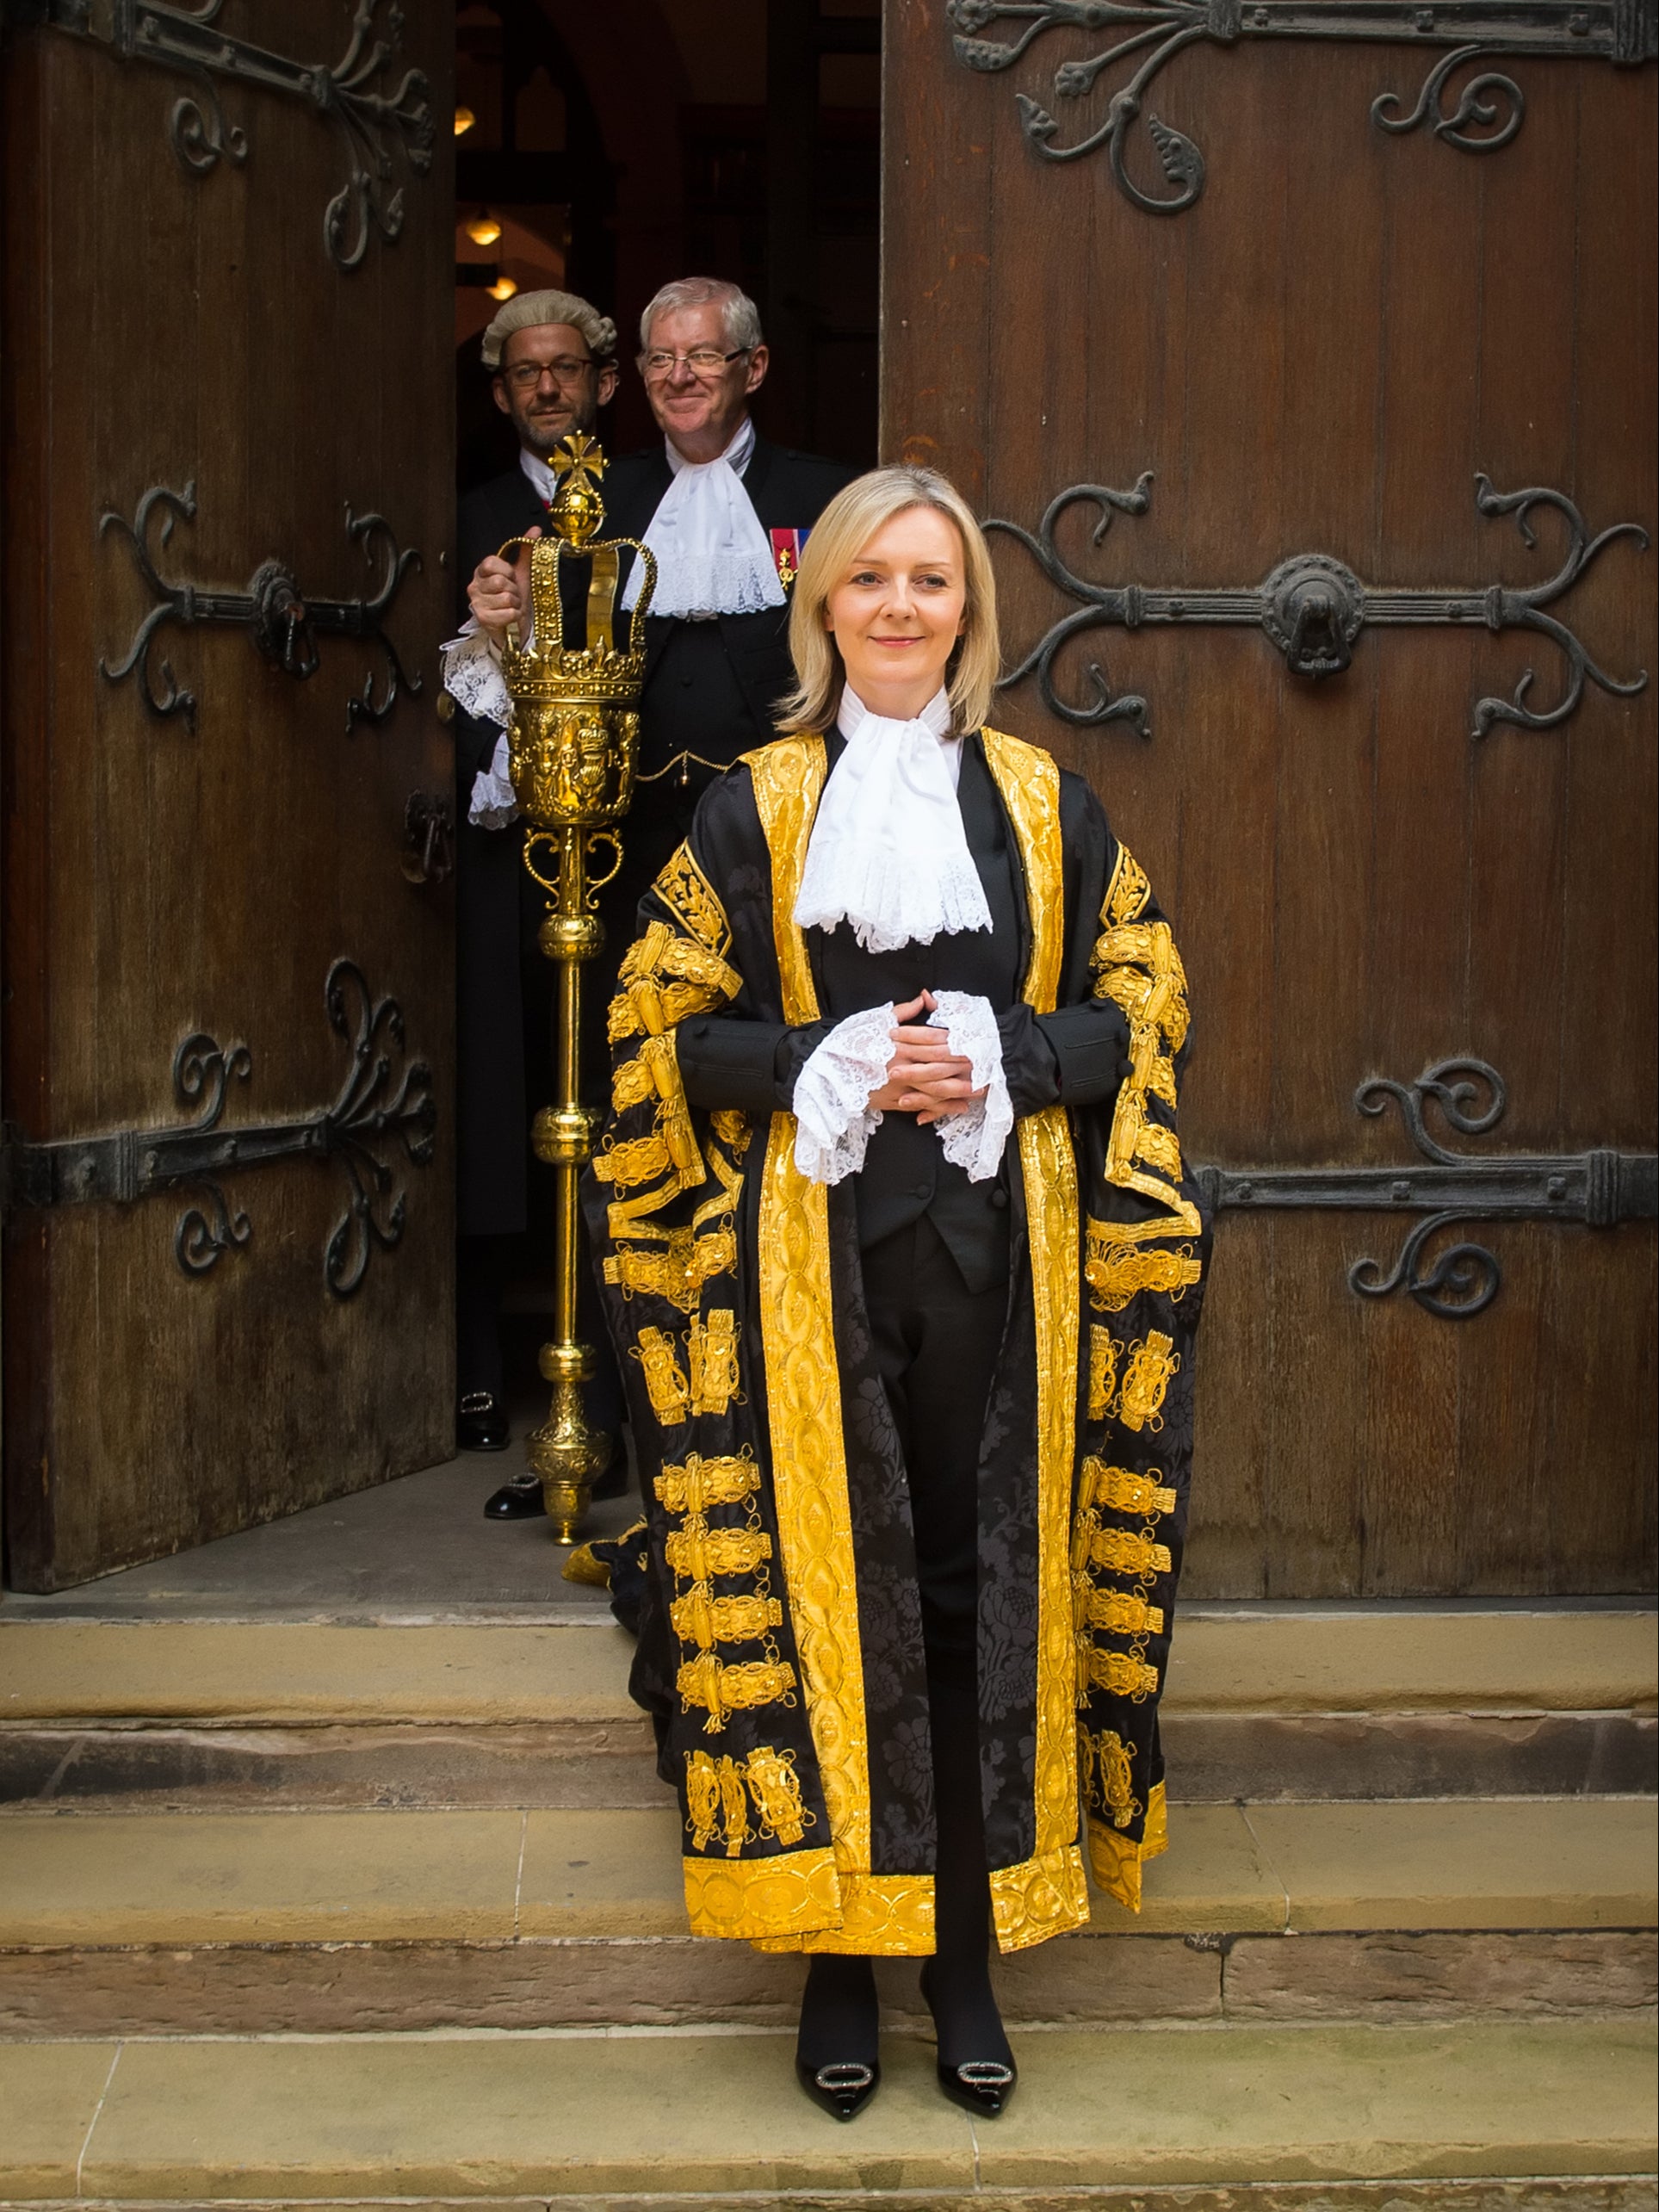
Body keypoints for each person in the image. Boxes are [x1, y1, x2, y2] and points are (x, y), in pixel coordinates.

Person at [580, 466, 1210, 2119]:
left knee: (960, 1585)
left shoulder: (1044, 802)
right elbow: (657, 1037)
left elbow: (1140, 1006)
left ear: (970, 613)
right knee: (829, 1594)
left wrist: (1009, 1048)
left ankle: (965, 1955)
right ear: (826, 608)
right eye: (873, 581)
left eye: (933, 581)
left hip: (1006, 1266)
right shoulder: (752, 808)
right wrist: (821, 1056)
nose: (904, 609)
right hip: (815, 1270)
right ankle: (839, 1962)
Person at [460, 277, 857, 1515]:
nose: (682, 376)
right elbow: (539, 679)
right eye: (661, 358)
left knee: (776, 1122)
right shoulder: (605, 498)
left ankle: (777, 1429)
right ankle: (608, 1435)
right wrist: (498, 625)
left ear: (753, 368)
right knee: (622, 1127)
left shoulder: (817, 499)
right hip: (625, 865)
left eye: (705, 357)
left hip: (776, 863)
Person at [444, 288, 622, 1512]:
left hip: (633, 846)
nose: (548, 386)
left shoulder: (651, 511)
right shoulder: (467, 520)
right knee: (507, 1090)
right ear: (502, 392)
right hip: (512, 858)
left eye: (567, 368)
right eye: (527, 372)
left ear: (600, 383)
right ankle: (478, 1365)